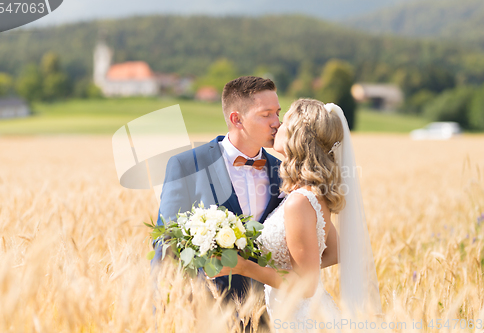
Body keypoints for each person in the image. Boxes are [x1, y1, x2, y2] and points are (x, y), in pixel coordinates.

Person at [151, 78, 338, 302]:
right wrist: (161, 309)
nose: (276, 123)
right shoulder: (188, 165)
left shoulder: (287, 174)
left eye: (278, 113)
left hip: (270, 313)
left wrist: (272, 268)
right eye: (266, 114)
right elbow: (167, 244)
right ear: (237, 119)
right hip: (207, 309)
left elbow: (325, 249)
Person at [213, 99, 382, 330]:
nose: (277, 125)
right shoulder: (311, 194)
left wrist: (244, 267)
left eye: (284, 122)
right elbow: (334, 252)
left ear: (297, 136)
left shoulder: (300, 201)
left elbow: (307, 285)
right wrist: (295, 270)